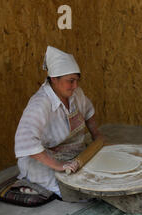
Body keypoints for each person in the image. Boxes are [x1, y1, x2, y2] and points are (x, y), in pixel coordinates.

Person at [14, 46, 103, 197]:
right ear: (54, 79)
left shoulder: (76, 94)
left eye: (76, 80)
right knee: (72, 187)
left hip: (72, 150)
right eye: (71, 81)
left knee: (98, 171)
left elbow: (88, 112)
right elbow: (26, 140)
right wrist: (58, 165)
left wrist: (97, 137)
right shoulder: (40, 103)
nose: (75, 86)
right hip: (46, 157)